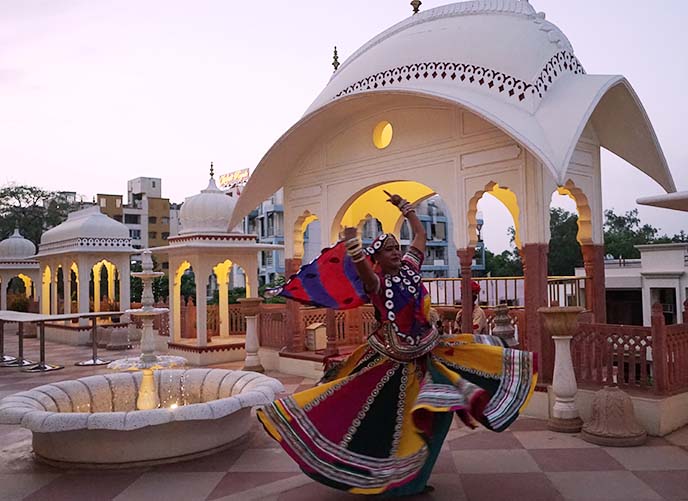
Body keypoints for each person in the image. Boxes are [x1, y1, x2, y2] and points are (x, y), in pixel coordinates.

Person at [257, 192, 537, 496]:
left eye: (396, 248)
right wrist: (354, 251)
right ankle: (396, 480)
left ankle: (416, 477)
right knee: (392, 425)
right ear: (377, 259)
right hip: (389, 363)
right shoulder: (377, 282)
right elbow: (366, 273)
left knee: (437, 416)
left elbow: (418, 236)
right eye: (388, 250)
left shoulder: (409, 267)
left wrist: (407, 210)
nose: (395, 252)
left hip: (428, 353)